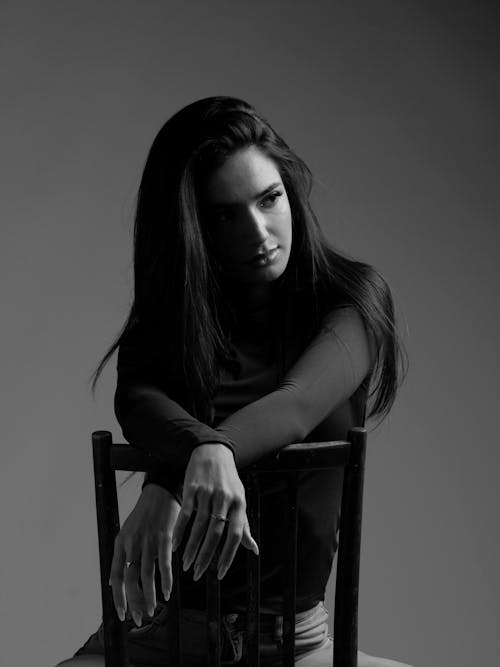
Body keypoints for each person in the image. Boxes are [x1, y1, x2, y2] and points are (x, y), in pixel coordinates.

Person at [56, 96, 412, 666]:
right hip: (162, 637)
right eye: (224, 215)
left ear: (290, 191)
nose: (259, 231)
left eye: (270, 199)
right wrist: (194, 455)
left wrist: (184, 465)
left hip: (294, 645)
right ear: (191, 227)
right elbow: (137, 398)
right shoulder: (175, 319)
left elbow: (293, 406)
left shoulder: (351, 303)